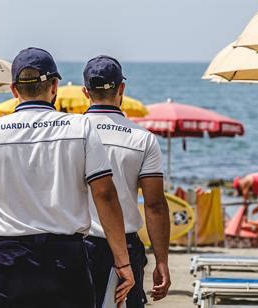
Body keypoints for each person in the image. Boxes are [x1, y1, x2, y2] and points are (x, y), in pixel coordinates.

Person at [0, 47, 134, 308]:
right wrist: (122, 261)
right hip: (66, 261)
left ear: (14, 89)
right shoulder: (79, 128)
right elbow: (104, 194)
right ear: (55, 86)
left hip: (10, 261)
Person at [82, 55, 171, 307]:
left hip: (76, 245)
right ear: (121, 88)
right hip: (126, 244)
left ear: (85, 92)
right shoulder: (142, 139)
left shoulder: (70, 133)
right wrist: (161, 260)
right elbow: (155, 205)